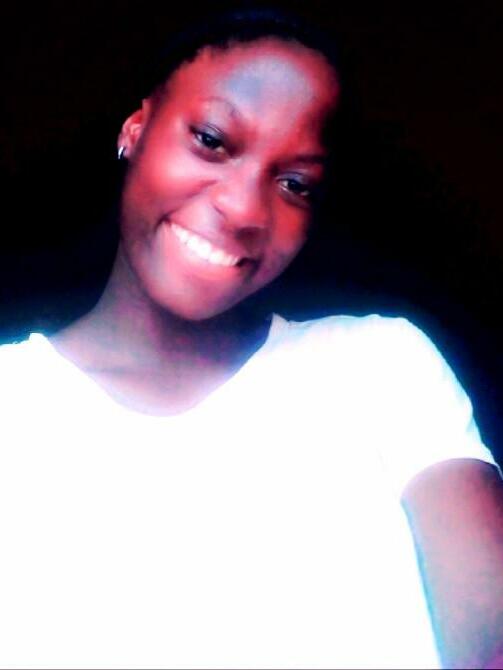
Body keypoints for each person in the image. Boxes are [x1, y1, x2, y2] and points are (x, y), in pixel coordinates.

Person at [1, 7, 502, 669]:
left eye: (294, 183)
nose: (241, 209)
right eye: (211, 140)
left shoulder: (381, 367)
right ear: (136, 129)